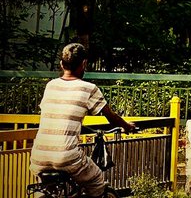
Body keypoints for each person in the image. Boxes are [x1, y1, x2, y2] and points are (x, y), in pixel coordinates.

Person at [31, 42, 135, 197]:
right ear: (84, 64)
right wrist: (126, 126)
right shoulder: (89, 88)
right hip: (67, 156)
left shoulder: (50, 86)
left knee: (47, 191)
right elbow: (111, 118)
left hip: (39, 156)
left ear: (61, 64)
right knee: (97, 181)